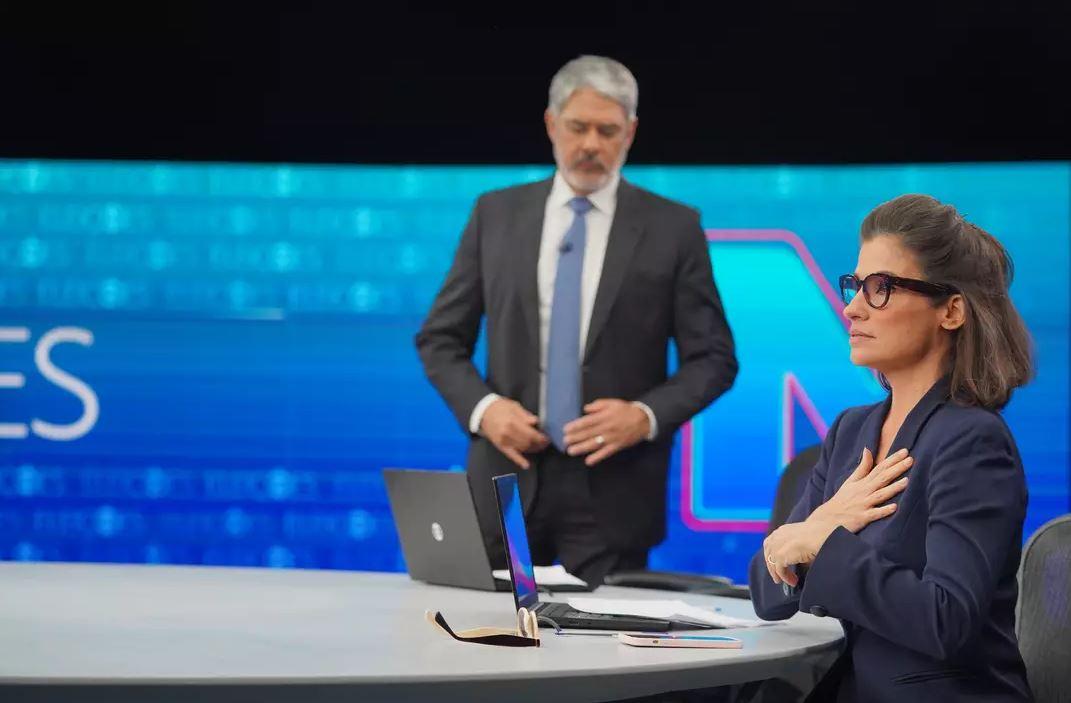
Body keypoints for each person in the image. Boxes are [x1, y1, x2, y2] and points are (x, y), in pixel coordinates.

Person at [416, 55, 737, 585]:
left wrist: (644, 415)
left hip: (614, 495)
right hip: (504, 480)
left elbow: (714, 359)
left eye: (607, 131)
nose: (590, 144)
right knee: (485, 649)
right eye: (577, 127)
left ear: (630, 133)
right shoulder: (494, 214)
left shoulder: (674, 228)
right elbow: (439, 339)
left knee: (604, 657)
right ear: (550, 124)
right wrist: (485, 409)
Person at [750, 194, 1034, 701]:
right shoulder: (849, 431)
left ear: (950, 310)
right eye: (855, 285)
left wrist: (820, 540)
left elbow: (945, 619)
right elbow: (768, 591)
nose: (852, 306)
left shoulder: (972, 441)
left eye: (880, 288)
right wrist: (818, 528)